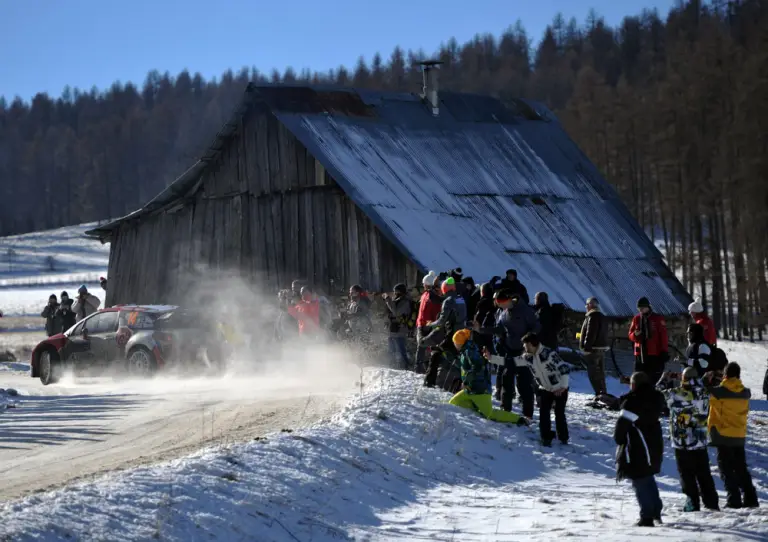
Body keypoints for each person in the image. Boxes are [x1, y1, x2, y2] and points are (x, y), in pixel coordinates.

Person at [656, 368, 718, 512]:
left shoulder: (675, 394)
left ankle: (692, 502)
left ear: (683, 378)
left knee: (686, 473)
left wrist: (664, 378)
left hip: (681, 441)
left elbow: (656, 393)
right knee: (704, 473)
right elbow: (697, 389)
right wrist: (701, 379)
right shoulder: (704, 392)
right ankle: (711, 503)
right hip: (700, 440)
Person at [703, 362, 759, 509]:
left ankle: (733, 499)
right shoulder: (745, 393)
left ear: (725, 375)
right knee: (741, 468)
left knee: (726, 469)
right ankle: (750, 497)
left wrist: (706, 380)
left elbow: (703, 393)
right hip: (739, 435)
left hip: (723, 434)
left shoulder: (719, 392)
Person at [614, 372, 665, 527]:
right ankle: (656, 510)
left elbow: (621, 427)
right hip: (654, 443)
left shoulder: (633, 402)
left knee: (640, 480)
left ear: (634, 385)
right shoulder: (655, 398)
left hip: (638, 446)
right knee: (648, 478)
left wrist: (620, 441)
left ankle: (647, 516)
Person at [448, 329, 530, 425]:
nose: (454, 344)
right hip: (470, 388)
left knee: (489, 414)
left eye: (455, 342)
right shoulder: (465, 351)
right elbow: (465, 367)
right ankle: (477, 407)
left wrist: (466, 382)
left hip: (480, 389)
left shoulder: (470, 351)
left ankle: (519, 419)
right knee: (454, 402)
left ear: (460, 342)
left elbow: (477, 368)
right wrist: (447, 356)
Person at [494, 290, 540, 416]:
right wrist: (481, 329)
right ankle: (505, 409)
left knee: (524, 384)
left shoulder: (525, 310)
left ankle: (528, 414)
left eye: (501, 303)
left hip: (524, 352)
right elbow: (499, 328)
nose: (499, 307)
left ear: (507, 300)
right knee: (506, 379)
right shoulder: (503, 313)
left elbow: (536, 326)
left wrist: (529, 340)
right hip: (509, 350)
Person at [522, 332, 570, 446]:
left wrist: (563, 387)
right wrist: (492, 358)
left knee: (559, 413)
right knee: (543, 413)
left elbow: (564, 369)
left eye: (525, 345)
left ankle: (563, 438)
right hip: (544, 389)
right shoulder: (527, 357)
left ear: (532, 344)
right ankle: (546, 437)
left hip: (560, 388)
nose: (524, 347)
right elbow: (511, 362)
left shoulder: (549, 354)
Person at [423, 277, 467, 392]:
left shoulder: (448, 301)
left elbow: (442, 321)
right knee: (456, 359)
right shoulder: (461, 299)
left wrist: (431, 324)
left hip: (451, 335)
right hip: (462, 335)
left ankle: (429, 382)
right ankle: (457, 385)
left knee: (436, 354)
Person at [628, 297, 669, 387]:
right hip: (639, 353)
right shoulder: (636, 319)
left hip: (653, 353)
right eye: (639, 309)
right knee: (638, 377)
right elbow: (630, 335)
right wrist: (635, 335)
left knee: (651, 377)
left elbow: (663, 337)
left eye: (642, 308)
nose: (641, 310)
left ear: (648, 307)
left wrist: (664, 350)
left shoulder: (657, 319)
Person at [579, 297, 610, 396]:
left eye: (586, 305)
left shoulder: (592, 316)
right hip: (601, 349)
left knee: (593, 373)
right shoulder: (602, 316)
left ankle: (598, 394)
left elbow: (591, 333)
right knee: (600, 372)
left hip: (593, 349)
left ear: (590, 305)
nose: (586, 307)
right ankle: (603, 393)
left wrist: (586, 348)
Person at [416, 271, 443, 373]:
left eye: (424, 284)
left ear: (427, 284)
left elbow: (434, 311)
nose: (423, 285)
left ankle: (420, 368)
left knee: (423, 347)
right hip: (424, 323)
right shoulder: (426, 295)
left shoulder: (430, 296)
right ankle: (421, 367)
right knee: (424, 347)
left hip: (426, 324)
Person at [384, 284, 412, 369]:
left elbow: (396, 312)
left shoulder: (405, 302)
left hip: (400, 329)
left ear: (400, 292)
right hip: (392, 329)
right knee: (391, 351)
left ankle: (406, 367)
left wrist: (388, 300)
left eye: (396, 291)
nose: (394, 293)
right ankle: (392, 366)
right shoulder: (397, 300)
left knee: (401, 350)